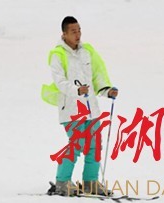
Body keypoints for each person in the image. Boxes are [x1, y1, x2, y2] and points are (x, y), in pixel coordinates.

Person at [42, 16, 118, 197]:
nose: (77, 35)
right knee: (77, 144)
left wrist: (106, 90)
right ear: (64, 34)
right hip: (71, 109)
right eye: (73, 32)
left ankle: (91, 182)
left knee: (94, 146)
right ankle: (62, 181)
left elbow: (98, 74)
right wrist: (77, 90)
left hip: (91, 107)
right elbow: (60, 82)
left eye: (79, 30)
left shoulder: (87, 51)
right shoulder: (57, 54)